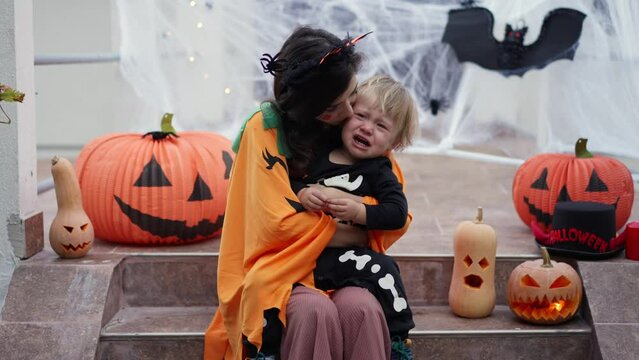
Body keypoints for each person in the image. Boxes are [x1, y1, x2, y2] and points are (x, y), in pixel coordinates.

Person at [204, 27, 411, 360]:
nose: (348, 113)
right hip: (281, 268)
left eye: (352, 94)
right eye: (333, 107)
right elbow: (274, 226)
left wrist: (351, 212)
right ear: (305, 109)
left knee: (363, 310)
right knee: (314, 312)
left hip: (345, 268)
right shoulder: (266, 129)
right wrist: (352, 223)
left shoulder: (355, 129)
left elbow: (397, 217)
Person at [292, 75, 418, 358]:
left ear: (394, 142)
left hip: (347, 260)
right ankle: (266, 345)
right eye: (361, 115)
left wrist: (361, 211)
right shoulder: (317, 154)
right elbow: (286, 182)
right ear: (346, 115)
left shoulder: (378, 170)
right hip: (304, 258)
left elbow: (397, 212)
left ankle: (399, 338)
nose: (367, 128)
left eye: (381, 125)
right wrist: (301, 193)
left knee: (385, 268)